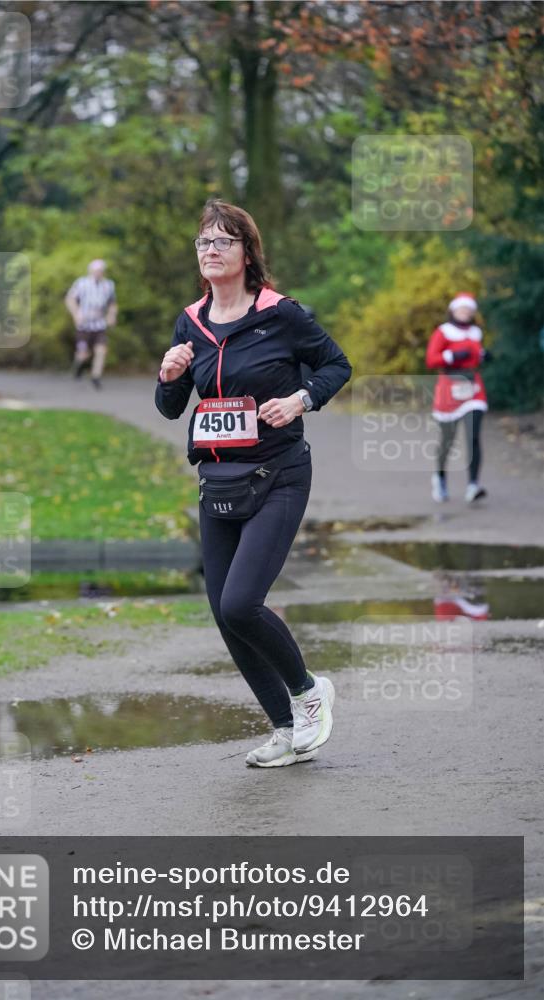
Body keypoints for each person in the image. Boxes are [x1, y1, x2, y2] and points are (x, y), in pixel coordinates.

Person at [155, 200, 352, 768]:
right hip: (218, 480)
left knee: (242, 603)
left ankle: (310, 692)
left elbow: (336, 364)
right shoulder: (189, 322)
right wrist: (169, 377)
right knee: (223, 612)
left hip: (279, 475)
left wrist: (300, 398)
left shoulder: (281, 314)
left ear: (246, 252)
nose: (210, 250)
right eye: (203, 243)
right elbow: (172, 408)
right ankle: (287, 729)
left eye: (222, 241)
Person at [426, 292, 489, 503]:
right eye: (462, 309)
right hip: (450, 387)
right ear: (453, 310)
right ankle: (440, 478)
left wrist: (483, 356)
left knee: (473, 436)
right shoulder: (443, 332)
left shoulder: (476, 332)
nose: (466, 313)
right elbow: (431, 360)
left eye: (469, 310)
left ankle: (473, 485)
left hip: (473, 387)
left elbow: (476, 355)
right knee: (448, 439)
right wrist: (451, 356)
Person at [65, 259, 117, 389]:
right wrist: (76, 313)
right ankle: (78, 367)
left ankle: (96, 377)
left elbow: (112, 303)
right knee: (83, 353)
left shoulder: (109, 285)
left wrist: (111, 315)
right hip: (84, 324)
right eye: (95, 271)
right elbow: (70, 299)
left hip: (99, 324)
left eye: (100, 271)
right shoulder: (81, 283)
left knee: (101, 350)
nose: (98, 273)